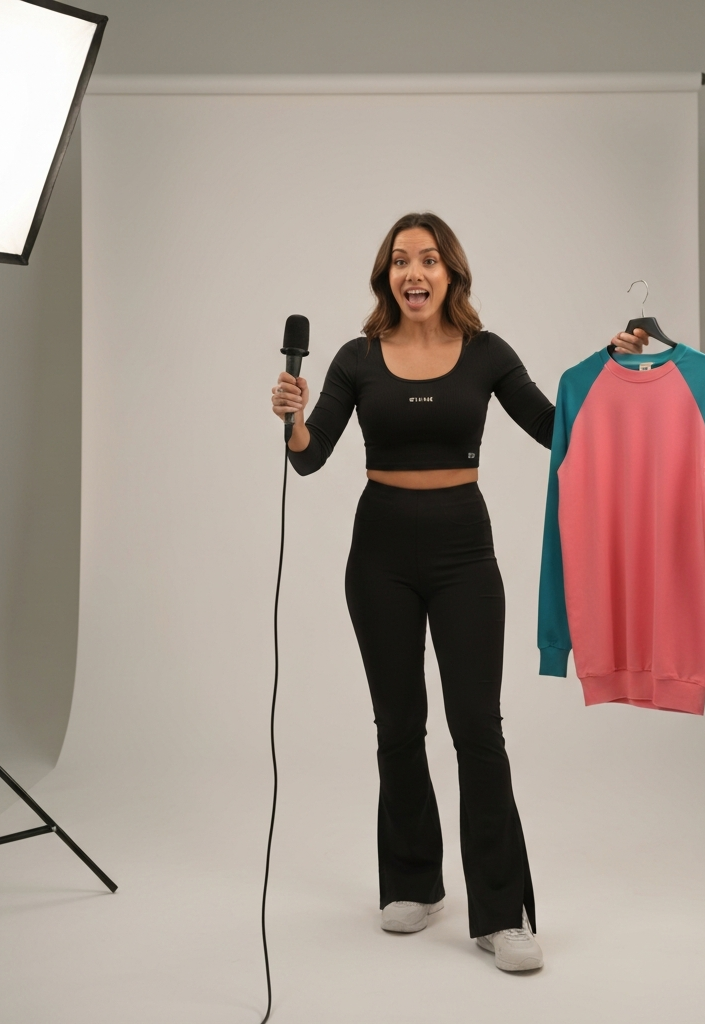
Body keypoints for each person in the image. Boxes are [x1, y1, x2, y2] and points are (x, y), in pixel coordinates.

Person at [270, 212, 646, 972]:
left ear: (452, 275)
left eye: (430, 261)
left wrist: (606, 371)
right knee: (398, 724)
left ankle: (501, 914)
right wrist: (294, 421)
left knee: (478, 729)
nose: (415, 273)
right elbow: (310, 460)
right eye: (402, 261)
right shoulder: (355, 357)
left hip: (463, 554)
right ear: (386, 276)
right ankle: (414, 882)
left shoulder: (486, 354)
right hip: (378, 553)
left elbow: (554, 428)